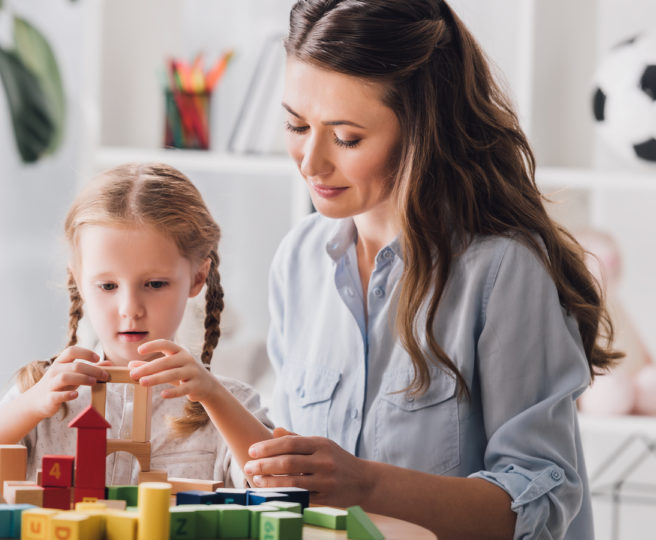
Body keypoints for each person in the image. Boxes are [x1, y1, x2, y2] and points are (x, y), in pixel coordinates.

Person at [241, 1, 622, 539]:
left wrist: (367, 485)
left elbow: (543, 499)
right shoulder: (299, 258)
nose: (311, 161)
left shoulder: (501, 270)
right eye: (296, 125)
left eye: (346, 137)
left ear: (421, 128)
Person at [0, 162, 273, 488]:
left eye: (155, 284)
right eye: (108, 286)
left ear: (198, 277)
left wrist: (213, 395)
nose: (130, 309)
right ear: (78, 281)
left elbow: (278, 485)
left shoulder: (228, 404)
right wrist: (32, 405)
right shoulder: (44, 394)